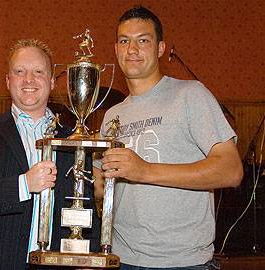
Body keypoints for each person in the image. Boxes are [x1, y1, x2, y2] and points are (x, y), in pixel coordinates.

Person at [93, 6, 244, 270]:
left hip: (183, 262)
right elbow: (102, 189)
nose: (132, 50)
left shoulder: (190, 95)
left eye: (143, 40)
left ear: (160, 48)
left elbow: (231, 170)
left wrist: (146, 170)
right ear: (116, 49)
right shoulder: (112, 116)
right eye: (124, 41)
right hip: (122, 259)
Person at [0, 38, 100, 269]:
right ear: (7, 80)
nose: (29, 80)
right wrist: (22, 185)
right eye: (20, 71)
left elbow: (86, 212)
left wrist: (89, 259)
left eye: (38, 72)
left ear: (52, 82)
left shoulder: (73, 142)